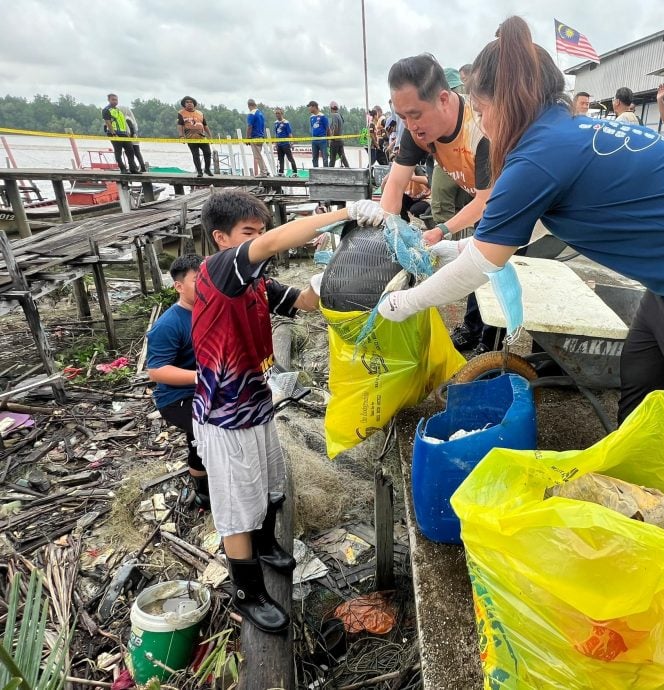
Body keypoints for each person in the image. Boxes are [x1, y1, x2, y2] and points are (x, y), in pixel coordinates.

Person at [372, 17, 664, 689]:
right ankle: (657, 518)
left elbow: (483, 264)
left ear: (504, 99)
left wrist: (403, 302)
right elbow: (489, 238)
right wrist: (430, 251)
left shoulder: (539, 150)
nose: (480, 120)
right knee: (644, 379)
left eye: (483, 106)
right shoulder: (561, 135)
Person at [191, 189, 379, 633]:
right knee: (237, 505)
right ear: (222, 238)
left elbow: (308, 302)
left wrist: (345, 264)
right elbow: (276, 242)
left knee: (269, 483)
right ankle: (247, 592)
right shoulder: (220, 270)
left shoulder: (256, 284)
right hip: (224, 416)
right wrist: (346, 211)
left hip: (256, 405)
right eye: (248, 233)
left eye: (259, 230)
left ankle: (266, 544)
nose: (259, 239)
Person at [379, 53, 493, 353]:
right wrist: (388, 224)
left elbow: (485, 202)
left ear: (444, 99)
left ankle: (492, 346)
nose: (410, 125)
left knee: (495, 271)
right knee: (477, 263)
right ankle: (472, 328)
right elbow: (396, 181)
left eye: (415, 115)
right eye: (402, 116)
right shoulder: (415, 132)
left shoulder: (482, 129)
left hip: (519, 207)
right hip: (481, 199)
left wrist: (441, 229)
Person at [146, 254, 209, 509]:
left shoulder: (212, 311)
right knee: (206, 435)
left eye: (208, 280)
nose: (205, 286)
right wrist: (201, 376)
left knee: (202, 443)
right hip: (177, 398)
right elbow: (157, 371)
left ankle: (207, 489)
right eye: (198, 281)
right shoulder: (169, 324)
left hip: (208, 388)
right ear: (179, 286)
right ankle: (205, 493)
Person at [101, 94, 140, 174]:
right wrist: (113, 133)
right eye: (113, 99)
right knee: (118, 151)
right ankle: (123, 169)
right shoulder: (106, 110)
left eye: (116, 100)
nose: (115, 101)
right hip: (114, 133)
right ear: (109, 100)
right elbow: (107, 122)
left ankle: (133, 168)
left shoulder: (118, 110)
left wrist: (127, 133)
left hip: (123, 133)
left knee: (130, 150)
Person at [177, 96, 213, 177]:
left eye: (191, 102)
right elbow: (180, 125)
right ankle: (199, 171)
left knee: (208, 153)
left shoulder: (200, 113)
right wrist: (181, 136)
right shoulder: (181, 113)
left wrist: (210, 136)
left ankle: (207, 169)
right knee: (195, 155)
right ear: (184, 104)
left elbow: (205, 125)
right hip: (191, 138)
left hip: (202, 137)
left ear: (194, 104)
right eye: (187, 102)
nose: (189, 103)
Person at [246, 99, 270, 176]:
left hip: (255, 137)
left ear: (249, 106)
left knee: (257, 156)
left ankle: (263, 172)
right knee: (259, 155)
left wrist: (247, 138)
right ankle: (266, 170)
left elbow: (249, 126)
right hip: (261, 136)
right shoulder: (260, 113)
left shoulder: (252, 113)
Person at [120, 104, 147, 172]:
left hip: (131, 138)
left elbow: (131, 129)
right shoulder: (131, 118)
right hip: (134, 138)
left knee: (132, 153)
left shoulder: (127, 119)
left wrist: (130, 137)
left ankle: (136, 167)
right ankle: (142, 167)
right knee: (137, 153)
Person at [273, 108, 297, 177]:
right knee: (280, 159)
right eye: (276, 113)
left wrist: (291, 142)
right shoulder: (276, 123)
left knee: (290, 158)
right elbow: (276, 133)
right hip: (279, 144)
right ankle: (281, 172)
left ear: (282, 114)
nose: (277, 115)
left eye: (278, 113)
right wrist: (275, 143)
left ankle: (295, 172)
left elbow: (289, 133)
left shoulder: (286, 122)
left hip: (285, 144)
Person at [327, 100, 350, 168]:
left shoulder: (334, 115)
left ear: (331, 108)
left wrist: (333, 137)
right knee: (343, 157)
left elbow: (335, 127)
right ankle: (349, 170)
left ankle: (329, 173)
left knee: (332, 159)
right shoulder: (340, 115)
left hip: (335, 141)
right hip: (340, 140)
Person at [308, 100, 329, 167]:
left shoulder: (323, 116)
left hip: (322, 140)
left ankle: (326, 173)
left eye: (310, 107)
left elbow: (327, 128)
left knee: (325, 158)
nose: (309, 108)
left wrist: (329, 139)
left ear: (314, 107)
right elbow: (312, 127)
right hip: (314, 140)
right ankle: (315, 173)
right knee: (314, 158)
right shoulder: (311, 117)